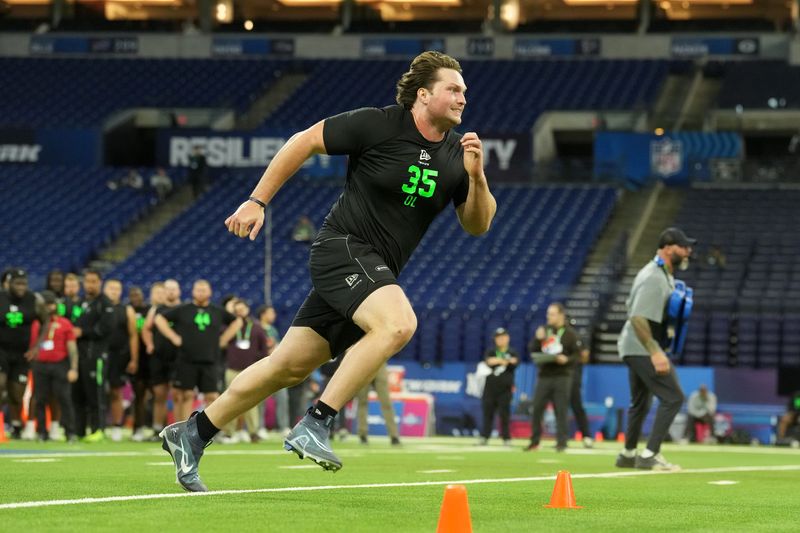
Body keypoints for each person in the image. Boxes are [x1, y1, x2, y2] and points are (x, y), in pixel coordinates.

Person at [160, 50, 496, 492]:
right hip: (343, 248)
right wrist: (257, 201)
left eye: (464, 91)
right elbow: (303, 141)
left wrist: (477, 178)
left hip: (374, 272)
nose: (462, 98)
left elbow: (477, 225)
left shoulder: (458, 155)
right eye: (453, 89)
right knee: (398, 324)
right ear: (422, 94)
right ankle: (317, 422)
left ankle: (193, 432)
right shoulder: (378, 123)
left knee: (287, 367)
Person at [615, 227, 694, 471]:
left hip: (634, 345)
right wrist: (655, 352)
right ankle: (649, 454)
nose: (688, 251)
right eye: (683, 247)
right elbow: (637, 317)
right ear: (668, 248)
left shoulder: (662, 273)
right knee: (673, 397)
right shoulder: (654, 277)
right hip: (641, 347)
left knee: (640, 402)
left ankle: (628, 454)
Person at [154, 280, 241, 422]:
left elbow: (237, 321)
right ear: (193, 292)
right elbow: (159, 319)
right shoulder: (183, 309)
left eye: (204, 290)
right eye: (198, 290)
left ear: (210, 292)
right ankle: (184, 429)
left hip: (210, 359)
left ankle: (211, 429)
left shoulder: (217, 311)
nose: (201, 293)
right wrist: (173, 337)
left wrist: (224, 339)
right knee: (185, 395)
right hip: (186, 359)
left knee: (212, 396)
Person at [526, 303, 580, 452]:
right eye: (548, 314)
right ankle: (534, 441)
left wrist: (567, 359)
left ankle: (561, 442)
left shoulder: (570, 334)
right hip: (544, 375)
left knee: (561, 409)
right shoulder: (544, 331)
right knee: (537, 408)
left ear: (561, 315)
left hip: (562, 376)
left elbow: (577, 356)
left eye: (552, 314)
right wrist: (538, 339)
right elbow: (532, 350)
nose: (548, 317)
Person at [0, 269, 47, 439]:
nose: (21, 287)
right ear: (9, 284)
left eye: (24, 284)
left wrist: (36, 347)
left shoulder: (34, 300)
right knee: (0, 384)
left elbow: (46, 322)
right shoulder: (1, 298)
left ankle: (16, 425)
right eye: (17, 283)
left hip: (22, 354)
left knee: (16, 394)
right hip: (1, 351)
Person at [27, 290, 78, 442]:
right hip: (40, 365)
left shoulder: (64, 323)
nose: (48, 307)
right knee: (40, 399)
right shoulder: (35, 324)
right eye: (45, 304)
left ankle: (70, 432)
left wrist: (73, 368)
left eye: (50, 304)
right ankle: (42, 432)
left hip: (60, 364)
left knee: (64, 398)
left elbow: (72, 347)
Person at [71, 269, 114, 442]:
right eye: (87, 281)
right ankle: (79, 430)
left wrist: (82, 332)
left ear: (100, 283)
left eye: (94, 281)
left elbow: (106, 328)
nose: (90, 285)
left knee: (95, 393)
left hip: (96, 356)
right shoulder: (80, 302)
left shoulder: (105, 303)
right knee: (78, 394)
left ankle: (98, 429)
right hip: (79, 356)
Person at [221, 299, 268, 443]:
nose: (240, 312)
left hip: (251, 370)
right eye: (237, 310)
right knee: (230, 401)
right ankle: (229, 432)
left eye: (242, 309)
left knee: (251, 401)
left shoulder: (256, 327)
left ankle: (253, 432)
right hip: (232, 368)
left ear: (248, 309)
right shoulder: (228, 326)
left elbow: (264, 350)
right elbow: (221, 343)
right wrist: (233, 327)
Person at [104, 279, 139, 442]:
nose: (114, 291)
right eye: (111, 288)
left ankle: (117, 426)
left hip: (118, 357)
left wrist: (134, 359)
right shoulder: (99, 306)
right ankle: (95, 426)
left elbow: (133, 335)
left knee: (115, 391)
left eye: (117, 289)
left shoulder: (127, 310)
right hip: (98, 355)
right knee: (94, 392)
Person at [143, 279, 180, 437]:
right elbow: (146, 329)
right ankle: (157, 429)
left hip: (178, 358)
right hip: (159, 357)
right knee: (159, 394)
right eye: (168, 289)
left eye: (173, 289)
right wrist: (149, 344)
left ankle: (178, 431)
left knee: (178, 394)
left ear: (178, 291)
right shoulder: (156, 310)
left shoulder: (183, 309)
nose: (170, 292)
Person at [479, 327, 518, 446]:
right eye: (498, 337)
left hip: (505, 389)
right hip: (490, 388)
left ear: (507, 338)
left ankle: (506, 438)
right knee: (487, 414)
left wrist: (499, 361)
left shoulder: (512, 351)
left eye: (502, 337)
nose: (500, 340)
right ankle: (485, 437)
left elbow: (515, 362)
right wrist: (504, 360)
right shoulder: (491, 351)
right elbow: (488, 361)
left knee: (505, 415)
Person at [258, 304, 290, 436]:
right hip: (261, 368)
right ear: (263, 314)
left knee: (283, 398)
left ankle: (283, 426)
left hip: (275, 369)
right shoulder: (257, 328)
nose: (274, 315)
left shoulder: (273, 330)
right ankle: (260, 427)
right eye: (271, 313)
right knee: (259, 399)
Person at [356, 361, 401, 446]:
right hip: (363, 365)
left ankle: (394, 436)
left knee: (386, 402)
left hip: (379, 364)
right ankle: (362, 435)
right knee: (362, 402)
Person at [128, 285, 152, 442]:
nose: (135, 298)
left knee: (157, 395)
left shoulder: (149, 311)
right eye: (132, 296)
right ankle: (138, 427)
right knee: (139, 396)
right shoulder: (127, 311)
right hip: (137, 359)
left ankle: (158, 427)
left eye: (137, 295)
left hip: (151, 357)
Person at [570, 337, 593, 448]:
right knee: (558, 408)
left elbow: (585, 358)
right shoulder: (555, 337)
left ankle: (586, 436)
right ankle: (561, 438)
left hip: (573, 377)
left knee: (577, 407)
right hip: (558, 377)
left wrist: (571, 358)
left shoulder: (578, 338)